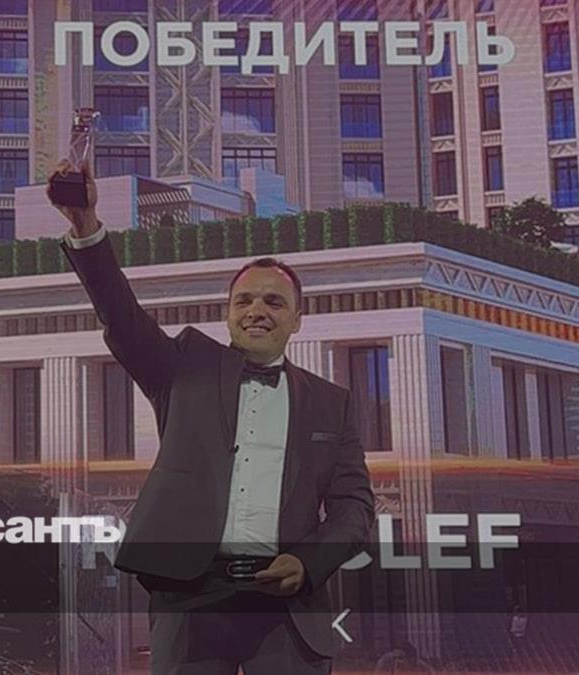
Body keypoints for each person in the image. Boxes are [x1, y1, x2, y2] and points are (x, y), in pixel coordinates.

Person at [49, 161, 374, 674]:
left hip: (287, 603)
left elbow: (354, 508)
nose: (256, 310)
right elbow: (122, 317)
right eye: (243, 300)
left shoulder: (332, 403)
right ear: (228, 314)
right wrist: (86, 225)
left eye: (274, 301)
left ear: (296, 319)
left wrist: (307, 562)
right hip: (190, 597)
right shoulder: (184, 368)